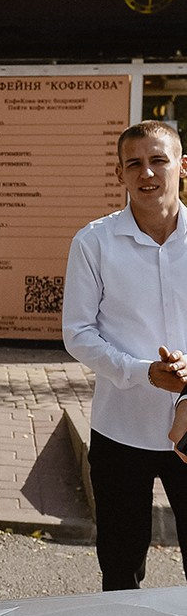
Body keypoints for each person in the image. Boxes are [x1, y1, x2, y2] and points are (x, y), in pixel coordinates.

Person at [63, 120, 187, 589]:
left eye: (159, 159)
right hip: (121, 432)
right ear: (120, 174)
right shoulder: (93, 242)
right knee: (119, 567)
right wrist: (143, 373)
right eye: (134, 163)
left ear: (182, 166)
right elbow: (78, 333)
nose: (147, 172)